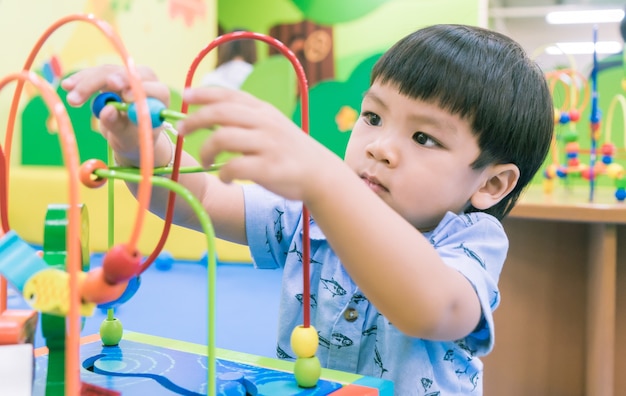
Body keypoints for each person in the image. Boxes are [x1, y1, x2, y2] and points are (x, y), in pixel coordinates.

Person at [62, 24, 553, 395]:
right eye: (372, 116)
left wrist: (327, 180)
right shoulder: (311, 209)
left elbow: (433, 309)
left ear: (491, 183)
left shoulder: (470, 242)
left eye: (424, 137)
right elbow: (204, 201)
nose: (379, 146)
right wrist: (140, 143)